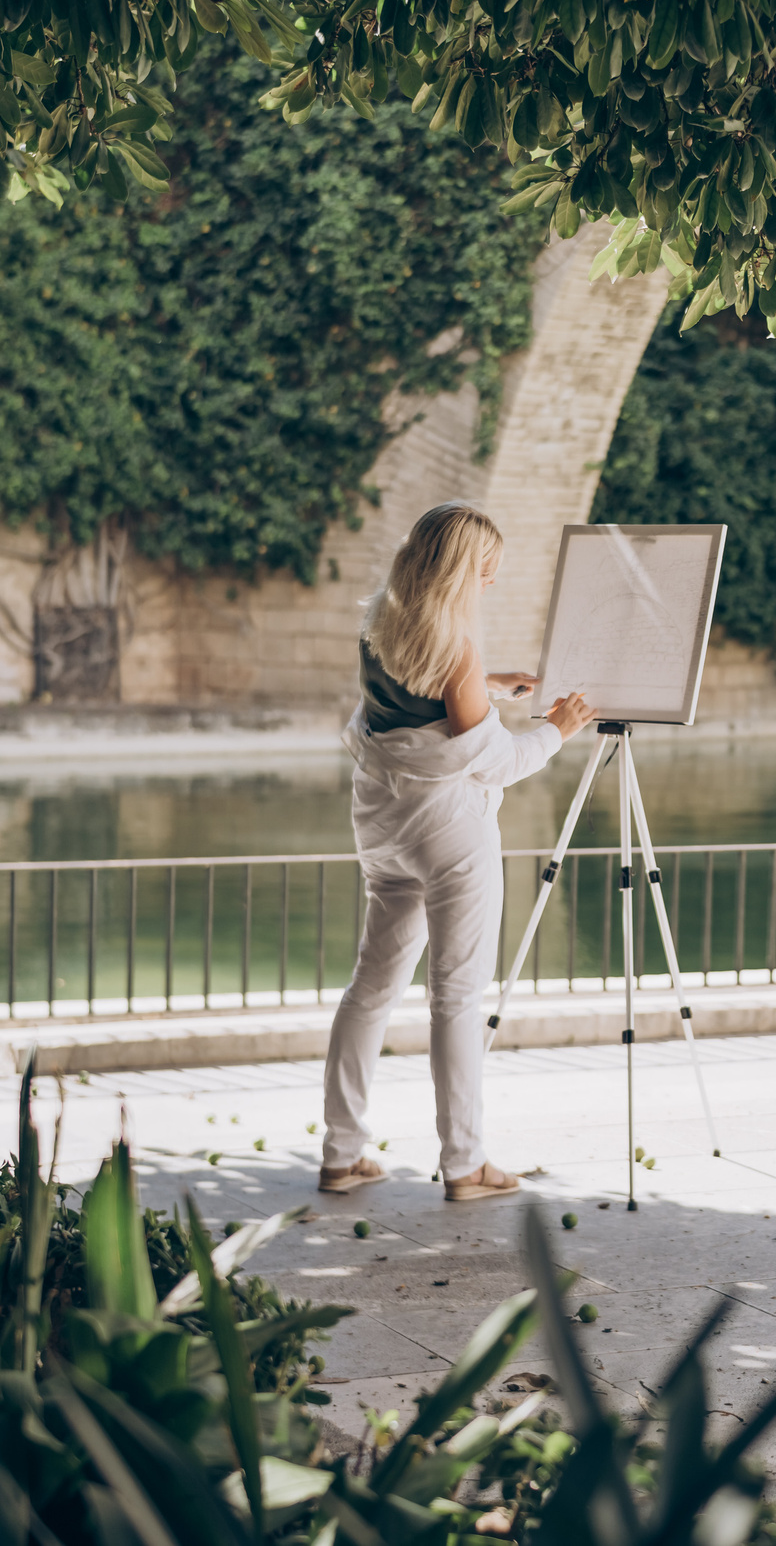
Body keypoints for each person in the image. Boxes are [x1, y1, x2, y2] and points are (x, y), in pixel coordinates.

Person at [320, 502, 597, 1201]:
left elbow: (428, 692)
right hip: (448, 833)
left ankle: (342, 1153)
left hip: (381, 823)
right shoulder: (454, 648)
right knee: (456, 996)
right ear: (456, 570)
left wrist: (488, 684)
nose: (490, 583)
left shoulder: (378, 620)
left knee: (371, 986)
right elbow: (499, 760)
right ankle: (466, 1163)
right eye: (485, 570)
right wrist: (559, 728)